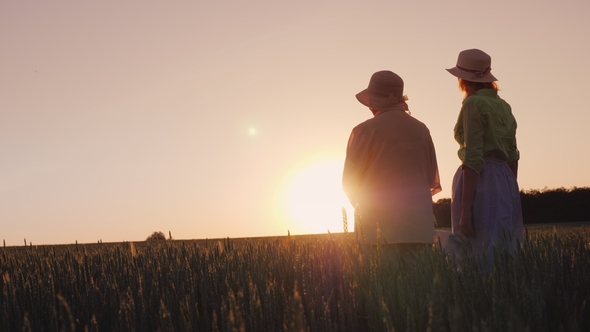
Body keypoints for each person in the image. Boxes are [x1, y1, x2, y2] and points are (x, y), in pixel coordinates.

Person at [342, 70, 442, 263]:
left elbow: (349, 182)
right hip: (418, 228)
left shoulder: (363, 130)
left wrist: (365, 211)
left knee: (380, 289)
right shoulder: (422, 129)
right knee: (418, 290)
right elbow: (430, 178)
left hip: (375, 229)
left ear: (373, 101)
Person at [440, 49, 524, 263]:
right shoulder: (504, 105)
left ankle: (476, 292)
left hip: (479, 179)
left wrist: (465, 210)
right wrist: (509, 189)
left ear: (463, 80)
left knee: (475, 248)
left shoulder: (472, 104)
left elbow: (474, 157)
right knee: (504, 247)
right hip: (505, 179)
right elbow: (513, 154)